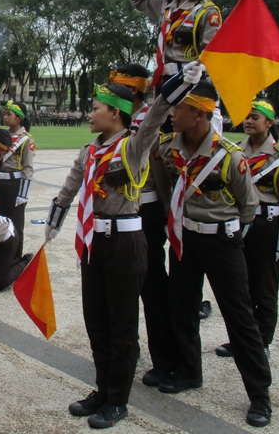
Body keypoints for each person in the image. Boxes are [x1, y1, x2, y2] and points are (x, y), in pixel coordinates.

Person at [44, 66, 201, 430]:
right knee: (96, 321)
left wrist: (182, 81)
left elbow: (156, 115)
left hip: (125, 243)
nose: (89, 113)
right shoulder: (89, 151)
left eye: (95, 108)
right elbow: (68, 188)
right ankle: (102, 389)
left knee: (122, 324)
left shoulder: (132, 146)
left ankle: (118, 400)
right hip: (93, 241)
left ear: (116, 113)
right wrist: (54, 220)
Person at [152, 81, 272, 428]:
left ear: (200, 114)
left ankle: (260, 395)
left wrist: (230, 235)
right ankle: (189, 371)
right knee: (182, 308)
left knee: (240, 318)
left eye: (180, 108)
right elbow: (162, 181)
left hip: (222, 242)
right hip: (185, 240)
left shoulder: (229, 156)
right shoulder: (169, 148)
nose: (173, 114)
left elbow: (249, 206)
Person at [109, 64, 178, 386]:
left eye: (118, 88)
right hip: (121, 212)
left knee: (152, 288)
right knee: (122, 287)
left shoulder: (153, 119)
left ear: (133, 91)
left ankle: (165, 359)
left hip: (146, 210)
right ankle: (126, 351)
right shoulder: (118, 121)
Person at [215, 99, 279, 360]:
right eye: (246, 117)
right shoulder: (233, 151)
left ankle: (261, 341)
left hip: (265, 227)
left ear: (269, 123)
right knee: (238, 286)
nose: (248, 121)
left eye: (255, 117)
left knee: (264, 287)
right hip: (239, 222)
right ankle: (240, 339)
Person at [132, 0, 221, 92]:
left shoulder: (207, 11)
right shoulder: (166, 3)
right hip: (162, 80)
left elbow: (211, 54)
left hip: (188, 84)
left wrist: (201, 72)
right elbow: (138, 1)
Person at [0, 100, 35, 258]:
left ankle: (15, 259)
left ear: (18, 118)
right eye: (4, 114)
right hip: (0, 183)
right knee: (0, 221)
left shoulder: (26, 139)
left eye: (8, 114)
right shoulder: (2, 136)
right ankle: (1, 255)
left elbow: (28, 168)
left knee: (16, 224)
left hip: (15, 185)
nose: (4, 117)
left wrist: (22, 194)